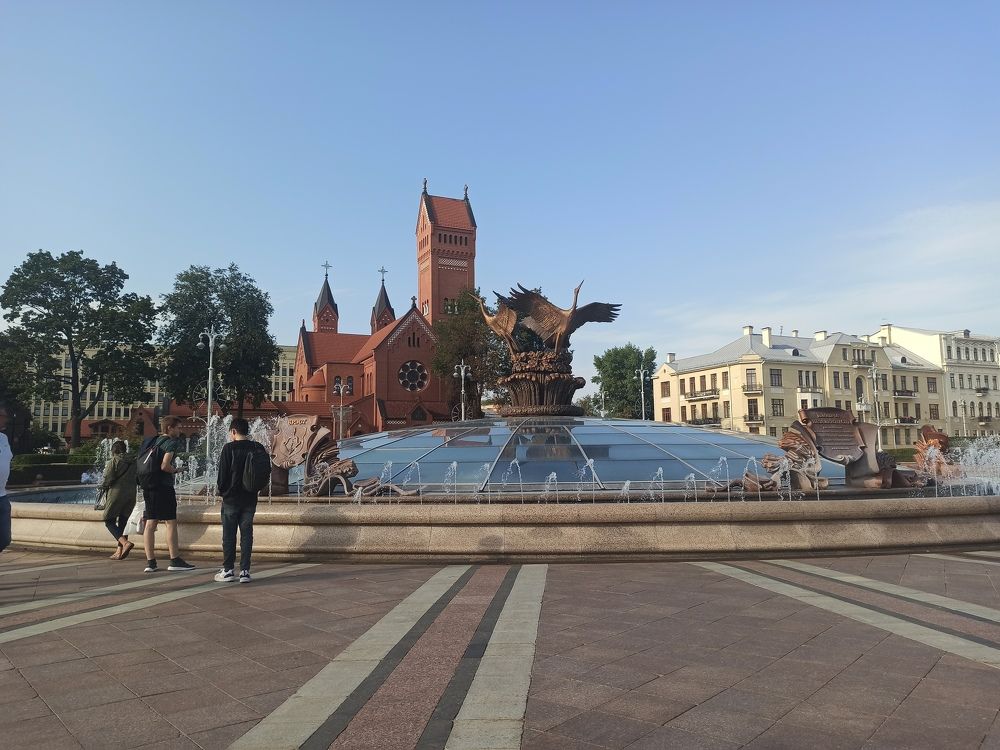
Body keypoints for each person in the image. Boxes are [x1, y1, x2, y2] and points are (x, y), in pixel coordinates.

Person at [141, 416, 195, 572]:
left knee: (150, 523)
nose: (180, 430)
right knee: (170, 522)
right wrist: (176, 470)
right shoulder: (171, 443)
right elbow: (165, 466)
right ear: (170, 428)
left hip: (148, 485)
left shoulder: (152, 441)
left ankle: (151, 563)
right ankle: (174, 560)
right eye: (178, 427)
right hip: (163, 487)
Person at [214, 418, 262, 583]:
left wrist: (223, 492)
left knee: (229, 534)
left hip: (231, 498)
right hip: (250, 497)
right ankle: (245, 571)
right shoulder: (257, 447)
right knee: (247, 534)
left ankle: (228, 570)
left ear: (233, 431)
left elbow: (222, 475)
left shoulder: (229, 448)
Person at [99, 440, 137, 560]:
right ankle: (119, 551)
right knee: (123, 522)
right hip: (131, 493)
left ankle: (125, 543)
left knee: (108, 520)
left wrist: (103, 486)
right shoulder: (134, 461)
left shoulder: (114, 461)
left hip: (117, 493)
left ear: (114, 450)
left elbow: (108, 478)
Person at [0, 404, 12, 553]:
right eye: (3, 416)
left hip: (2, 496)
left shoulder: (4, 438)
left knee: (4, 539)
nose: (6, 420)